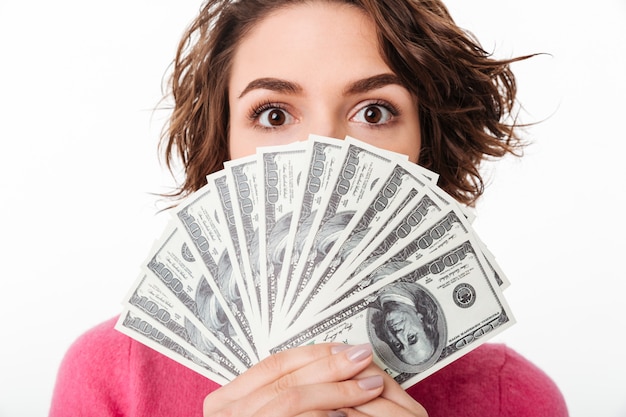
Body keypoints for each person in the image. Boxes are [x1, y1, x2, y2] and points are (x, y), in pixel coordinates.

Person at [48, 1, 569, 416]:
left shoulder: (517, 399)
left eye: (374, 111)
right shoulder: (111, 376)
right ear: (222, 146)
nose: (326, 152)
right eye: (274, 114)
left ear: (425, 146)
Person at [369, 281, 443, 370]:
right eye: (411, 337)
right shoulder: (411, 281)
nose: (398, 335)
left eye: (397, 345)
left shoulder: (371, 302)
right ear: (422, 320)